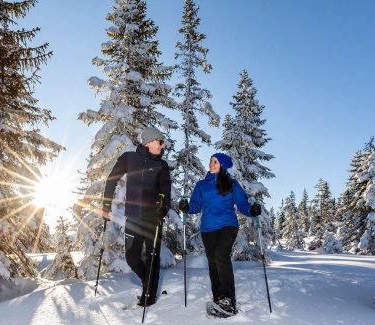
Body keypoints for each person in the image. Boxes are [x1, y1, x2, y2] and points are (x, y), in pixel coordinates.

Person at [178, 153, 261, 315]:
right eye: (210, 161)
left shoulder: (232, 184)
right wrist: (186, 207)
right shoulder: (201, 185)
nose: (211, 164)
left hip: (228, 225)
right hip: (208, 229)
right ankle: (219, 298)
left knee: (221, 255)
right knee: (213, 263)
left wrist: (252, 210)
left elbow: (243, 204)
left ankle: (229, 300)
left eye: (215, 162)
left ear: (222, 165)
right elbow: (195, 206)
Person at [102, 127, 171, 306]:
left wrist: (163, 207)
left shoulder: (161, 166)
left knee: (153, 256)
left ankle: (148, 295)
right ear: (149, 142)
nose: (162, 146)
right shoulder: (129, 158)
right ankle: (146, 279)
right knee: (132, 257)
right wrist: (106, 205)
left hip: (152, 218)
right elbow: (112, 180)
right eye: (160, 142)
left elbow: (165, 191)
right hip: (133, 217)